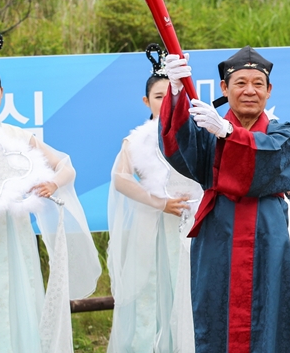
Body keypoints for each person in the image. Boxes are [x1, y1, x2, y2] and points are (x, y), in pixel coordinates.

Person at [159, 45, 290, 353]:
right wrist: (175, 93)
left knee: (270, 315)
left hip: (267, 237)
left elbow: (269, 163)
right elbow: (178, 146)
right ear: (225, 87)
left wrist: (227, 133)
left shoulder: (283, 133)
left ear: (269, 90)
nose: (249, 90)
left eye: (257, 84)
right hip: (217, 236)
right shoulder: (206, 129)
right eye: (240, 83)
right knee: (214, 314)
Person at [0, 31, 100, 353]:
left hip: (13, 232)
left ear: (1, 93)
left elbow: (65, 165)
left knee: (17, 292)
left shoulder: (17, 135)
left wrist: (53, 183)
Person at [107, 44, 202, 352]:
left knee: (189, 292)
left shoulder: (195, 132)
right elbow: (120, 180)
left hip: (191, 226)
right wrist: (160, 203)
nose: (164, 102)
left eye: (169, 96)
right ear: (147, 101)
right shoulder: (136, 140)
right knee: (153, 295)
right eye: (158, 97)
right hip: (154, 228)